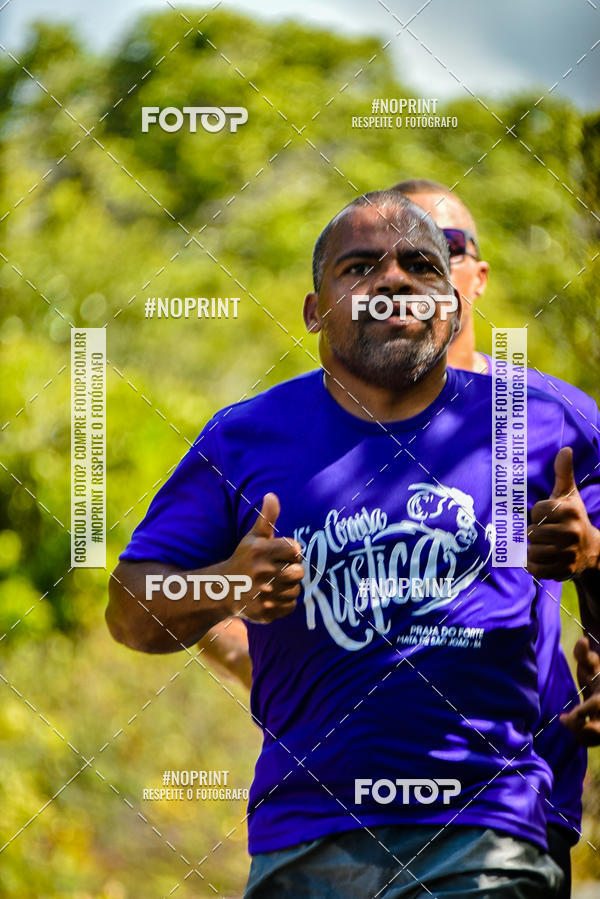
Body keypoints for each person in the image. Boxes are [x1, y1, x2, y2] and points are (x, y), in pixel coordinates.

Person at [107, 191, 600, 897]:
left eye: (422, 265)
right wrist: (225, 584)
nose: (394, 280)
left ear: (453, 302)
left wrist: (591, 552)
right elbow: (127, 610)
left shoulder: (543, 423)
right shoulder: (244, 437)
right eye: (361, 267)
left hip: (487, 829)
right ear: (314, 310)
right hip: (305, 836)